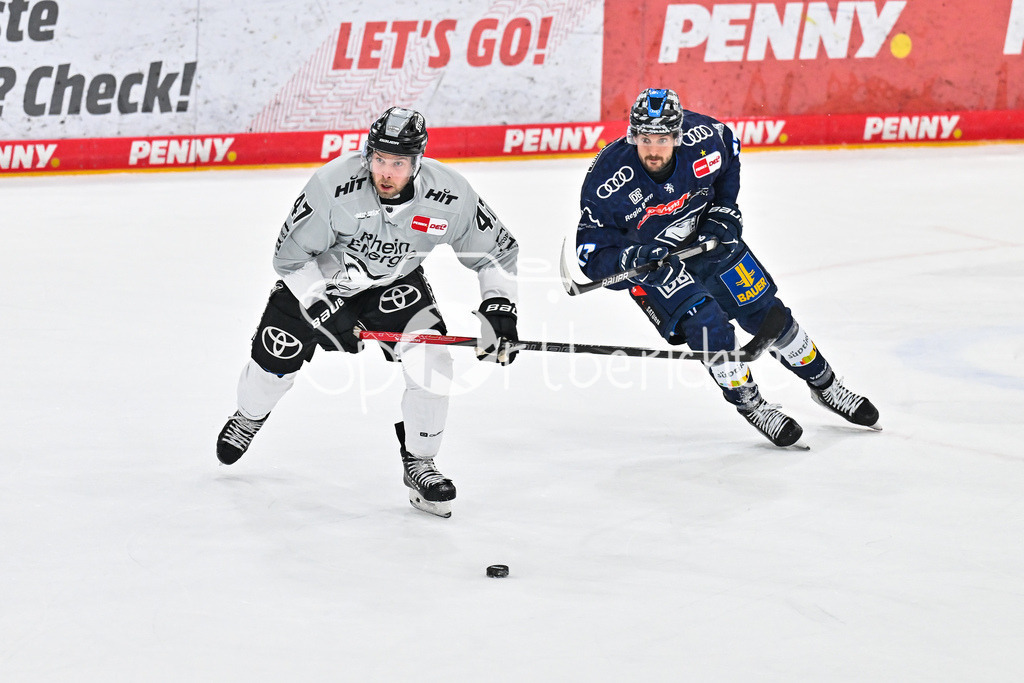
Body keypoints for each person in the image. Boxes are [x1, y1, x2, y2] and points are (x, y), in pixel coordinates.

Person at [217, 107, 520, 517]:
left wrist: (498, 305)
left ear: (417, 162)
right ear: (367, 155)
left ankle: (420, 463)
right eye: (379, 159)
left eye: (397, 163)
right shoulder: (332, 185)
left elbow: (497, 253)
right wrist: (322, 305)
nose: (386, 172)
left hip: (394, 284)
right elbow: (288, 259)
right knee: (273, 361)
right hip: (319, 281)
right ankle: (249, 417)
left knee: (433, 363)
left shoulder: (450, 194)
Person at [573, 88, 878, 447]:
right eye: (644, 139)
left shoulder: (707, 138)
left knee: (767, 314)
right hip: (659, 268)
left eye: (662, 139)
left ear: (677, 135)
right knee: (708, 326)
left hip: (707, 241)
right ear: (632, 135)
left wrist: (723, 211)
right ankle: (751, 404)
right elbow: (589, 253)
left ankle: (826, 385)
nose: (653, 149)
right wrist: (633, 261)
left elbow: (729, 156)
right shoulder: (608, 179)